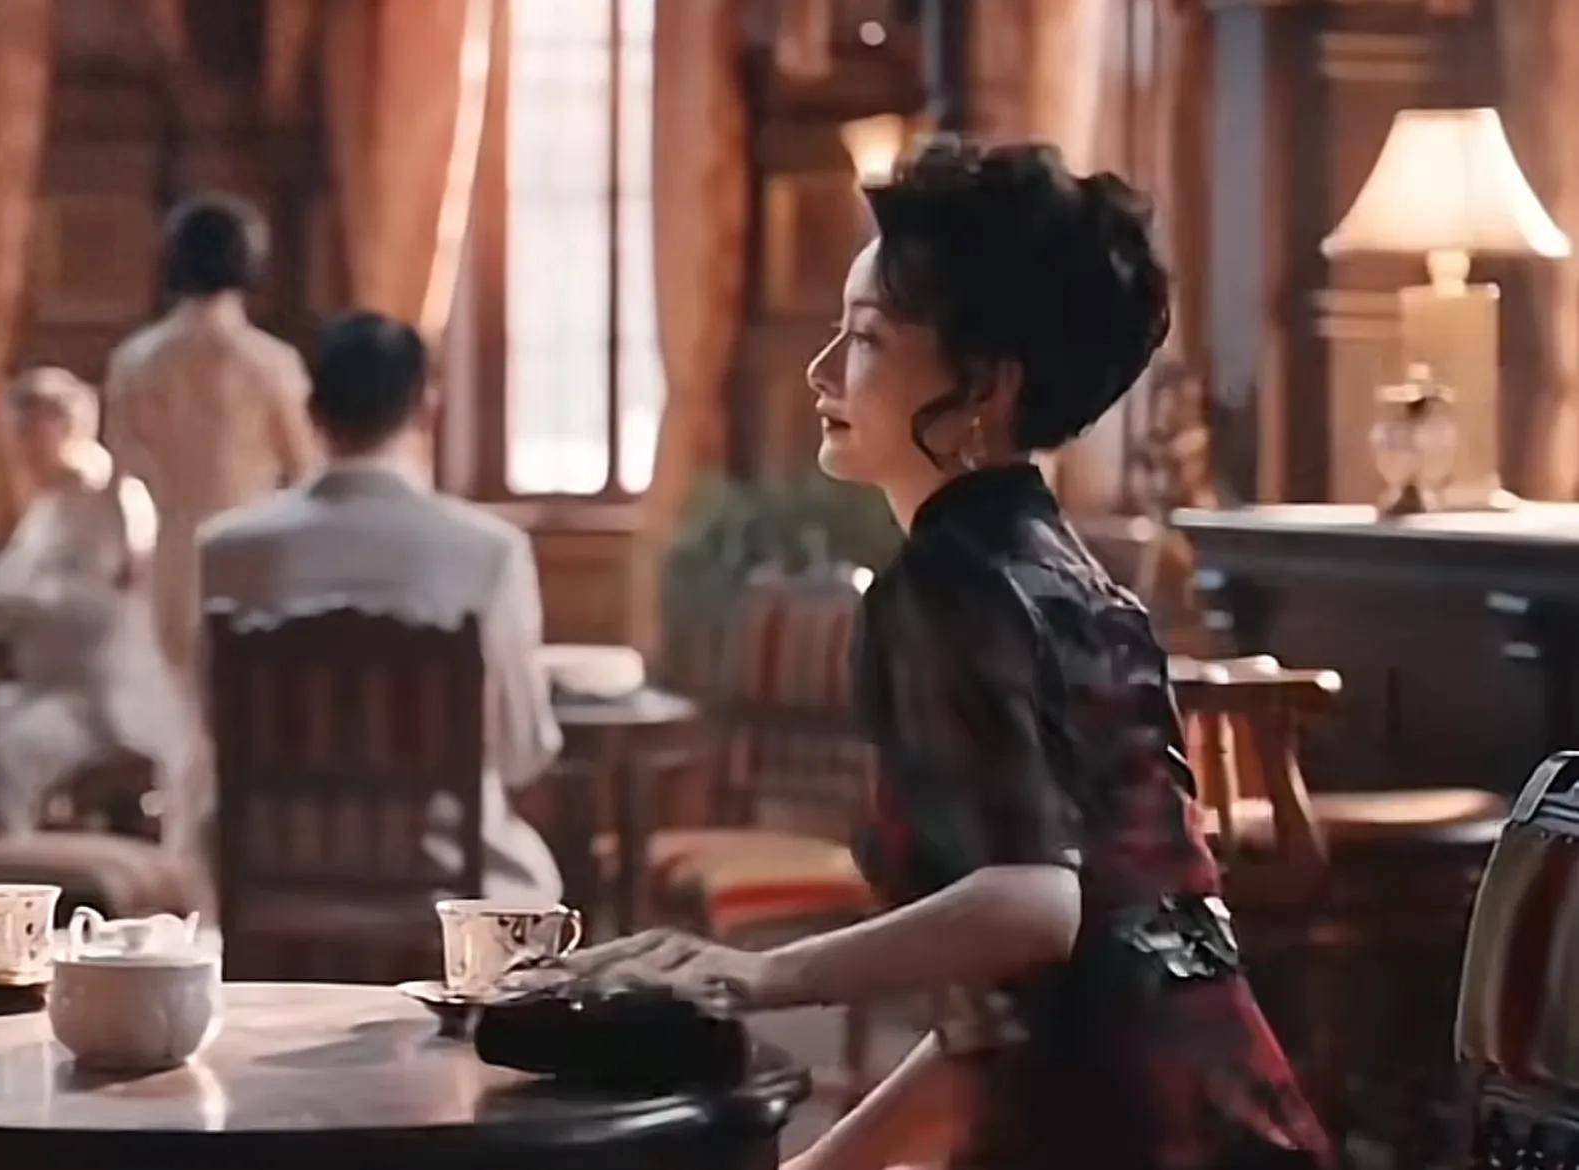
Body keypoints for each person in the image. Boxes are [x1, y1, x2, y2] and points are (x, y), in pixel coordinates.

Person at [537, 141, 1328, 1170]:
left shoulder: (946, 588)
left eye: (867, 338)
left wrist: (766, 975)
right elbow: (1005, 1025)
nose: (823, 370)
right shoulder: (1075, 578)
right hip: (1218, 1109)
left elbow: (1033, 909)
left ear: (984, 386)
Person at [200, 312, 563, 903]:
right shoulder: (490, 551)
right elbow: (522, 751)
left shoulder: (227, 550)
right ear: (427, 410)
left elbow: (214, 725)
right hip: (441, 882)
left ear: (311, 411)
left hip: (274, 880)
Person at [0, 368, 199, 849]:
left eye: (29, 433)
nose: (20, 450)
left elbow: (89, 607)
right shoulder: (52, 504)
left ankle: (15, 871)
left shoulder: (112, 503)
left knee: (1, 752)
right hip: (51, 687)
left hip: (103, 699)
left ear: (65, 428)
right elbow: (7, 578)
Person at [104, 193, 321, 679]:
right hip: (257, 557)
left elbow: (122, 476)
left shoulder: (135, 361)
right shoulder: (271, 363)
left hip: (170, 559)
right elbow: (306, 472)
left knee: (180, 696)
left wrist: (124, 558)